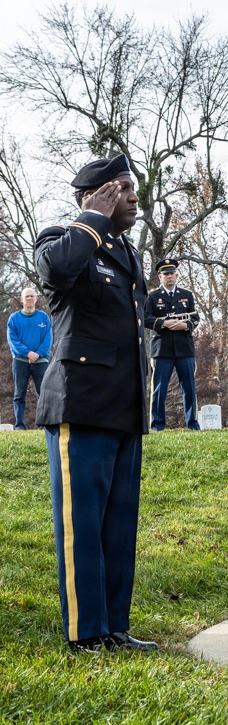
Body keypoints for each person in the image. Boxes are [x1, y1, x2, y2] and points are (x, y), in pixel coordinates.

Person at [34, 153, 158, 652]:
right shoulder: (61, 239)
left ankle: (114, 628)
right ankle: (86, 632)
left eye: (132, 189)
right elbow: (58, 270)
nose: (133, 197)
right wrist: (90, 219)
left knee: (118, 526)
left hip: (125, 407)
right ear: (95, 195)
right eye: (122, 189)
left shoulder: (126, 252)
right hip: (81, 405)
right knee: (81, 526)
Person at [145, 258, 201, 430]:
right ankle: (157, 425)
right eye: (165, 274)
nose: (169, 277)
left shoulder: (186, 295)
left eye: (172, 273)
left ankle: (192, 424)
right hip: (162, 348)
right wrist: (164, 324)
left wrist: (185, 325)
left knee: (189, 388)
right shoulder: (153, 296)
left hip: (184, 347)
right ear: (160, 277)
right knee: (159, 389)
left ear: (176, 275)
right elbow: (145, 318)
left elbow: (195, 318)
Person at [6, 286, 51, 430]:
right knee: (19, 395)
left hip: (41, 362)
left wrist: (37, 353)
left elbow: (48, 339)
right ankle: (19, 425)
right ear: (21, 299)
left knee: (42, 394)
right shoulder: (14, 319)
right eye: (27, 296)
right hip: (20, 362)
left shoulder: (44, 317)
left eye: (32, 296)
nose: (30, 299)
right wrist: (27, 353)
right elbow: (12, 340)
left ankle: (43, 426)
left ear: (36, 298)